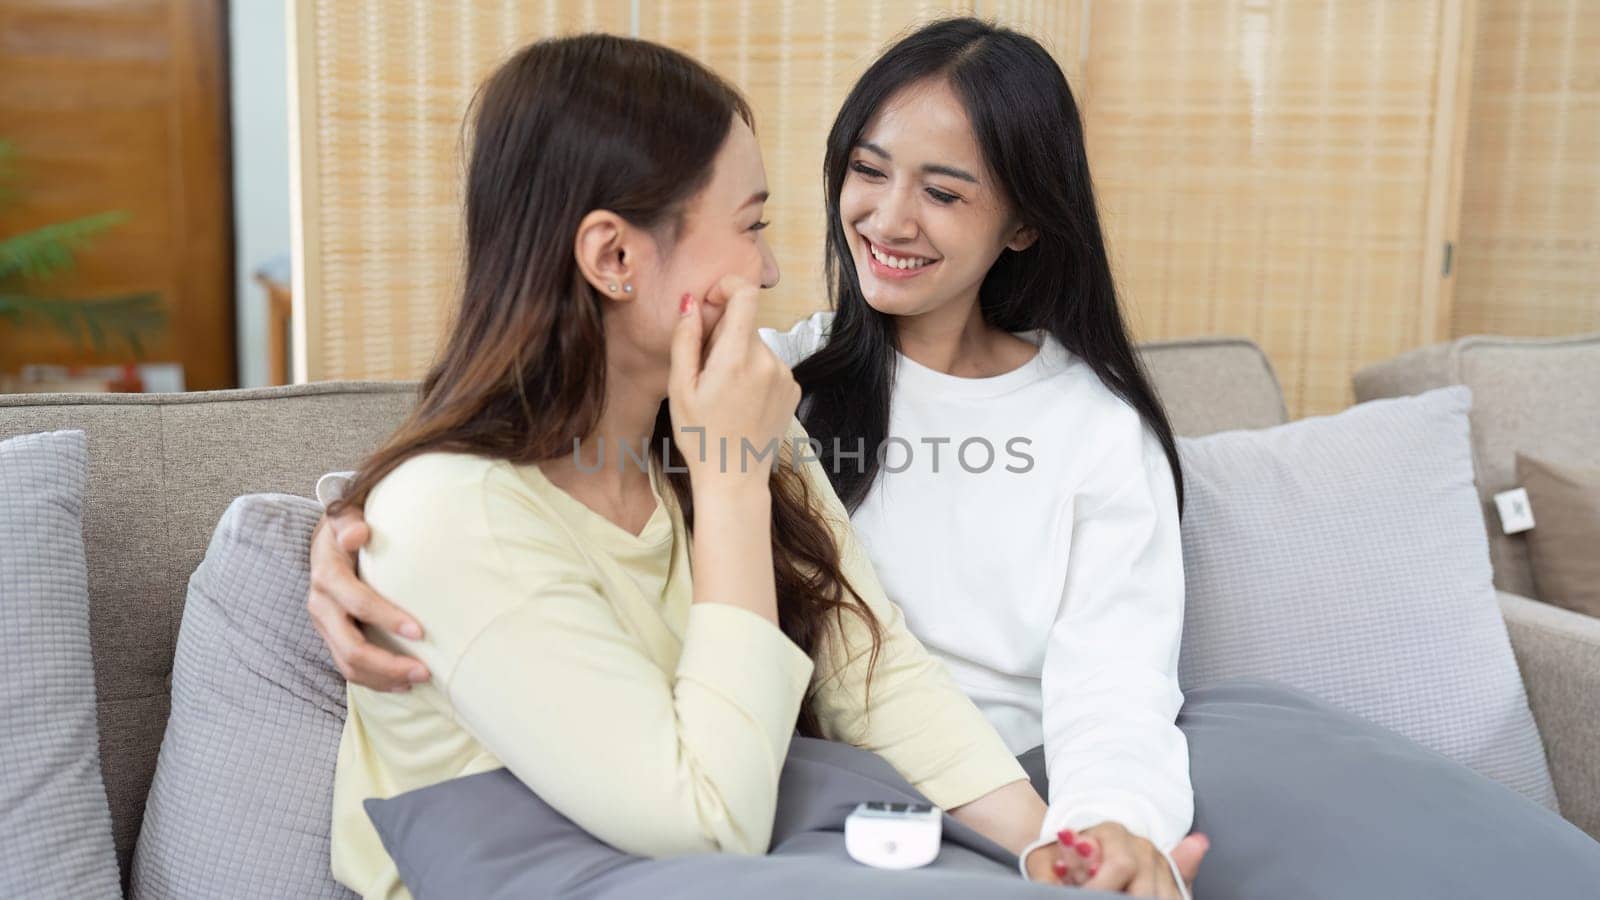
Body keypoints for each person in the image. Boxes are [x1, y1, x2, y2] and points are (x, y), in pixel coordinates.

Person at [313, 20, 1210, 899]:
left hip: (807, 817)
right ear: (614, 256)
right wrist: (353, 529)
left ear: (1023, 222)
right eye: (752, 224)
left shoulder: (736, 405)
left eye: (944, 191)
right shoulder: (738, 410)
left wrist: (1063, 860)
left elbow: (874, 664)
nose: (776, 266)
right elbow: (708, 819)